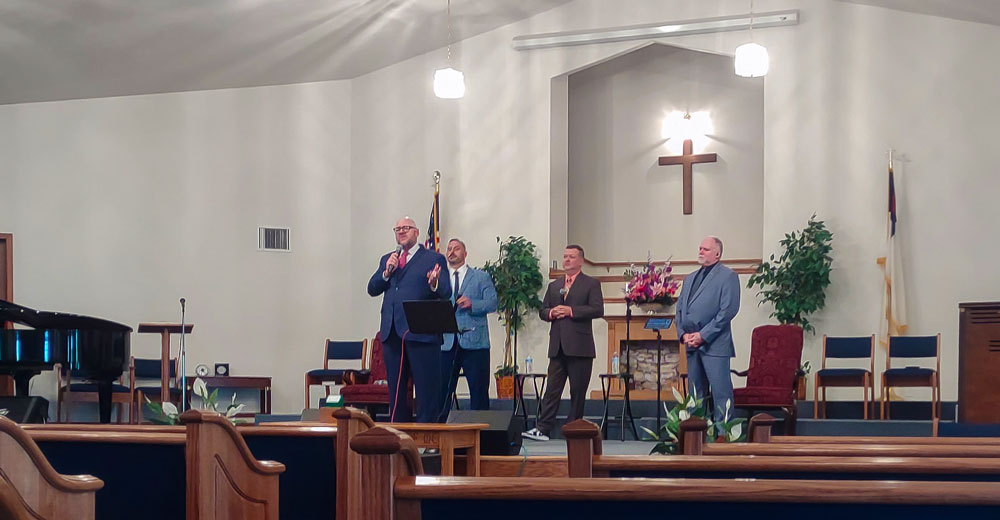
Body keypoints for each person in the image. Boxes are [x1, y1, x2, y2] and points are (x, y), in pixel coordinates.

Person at [367, 216, 451, 423]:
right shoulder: (388, 259)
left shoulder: (433, 259)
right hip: (393, 334)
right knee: (396, 392)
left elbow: (446, 291)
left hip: (421, 333)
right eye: (397, 229)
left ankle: (428, 440)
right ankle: (398, 437)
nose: (401, 232)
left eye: (406, 228)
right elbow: (372, 288)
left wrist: (434, 283)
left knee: (426, 391)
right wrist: (386, 273)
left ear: (416, 232)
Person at [522, 245, 604, 441]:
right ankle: (543, 429)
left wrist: (571, 311)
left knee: (578, 391)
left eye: (572, 257)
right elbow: (543, 311)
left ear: (581, 261)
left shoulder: (591, 284)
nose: (567, 260)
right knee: (552, 390)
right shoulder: (554, 285)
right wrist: (551, 313)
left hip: (580, 347)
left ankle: (573, 429)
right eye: (565, 256)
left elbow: (597, 309)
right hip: (558, 346)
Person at [675, 236, 741, 423]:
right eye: (700, 248)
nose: (701, 251)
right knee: (696, 395)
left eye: (706, 249)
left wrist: (703, 335)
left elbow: (728, 311)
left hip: (715, 345)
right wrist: (683, 334)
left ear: (718, 254)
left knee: (721, 394)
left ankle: (723, 438)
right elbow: (680, 310)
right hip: (692, 345)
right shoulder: (690, 279)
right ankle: (697, 437)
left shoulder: (728, 276)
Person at [438, 238, 498, 421]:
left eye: (456, 249)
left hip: (475, 342)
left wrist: (473, 304)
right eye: (449, 249)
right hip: (446, 342)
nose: (452, 252)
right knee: (441, 392)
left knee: (479, 392)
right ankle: (438, 435)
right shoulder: (439, 278)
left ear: (465, 253)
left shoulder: (481, 277)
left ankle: (480, 439)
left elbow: (492, 303)